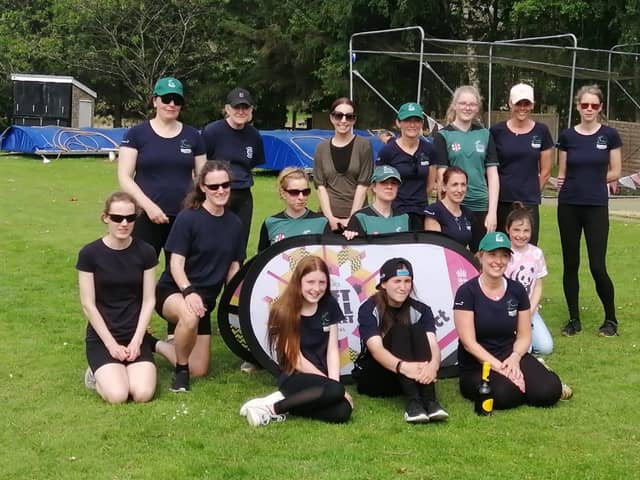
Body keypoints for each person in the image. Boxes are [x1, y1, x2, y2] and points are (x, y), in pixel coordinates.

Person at [153, 161, 244, 392]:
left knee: (201, 369)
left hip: (205, 302)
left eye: (225, 185)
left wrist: (237, 300)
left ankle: (154, 345)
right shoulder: (188, 218)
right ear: (202, 187)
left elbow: (233, 269)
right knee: (190, 316)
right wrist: (188, 291)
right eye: (214, 187)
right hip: (173, 290)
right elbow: (176, 264)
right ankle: (181, 372)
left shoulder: (235, 223)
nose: (221, 190)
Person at [454, 232, 566, 410]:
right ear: (480, 256)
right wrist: (500, 368)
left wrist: (514, 359)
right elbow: (469, 343)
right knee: (505, 395)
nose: (498, 261)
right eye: (492, 255)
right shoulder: (467, 292)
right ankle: (519, 383)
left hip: (509, 354)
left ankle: (535, 375)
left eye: (504, 256)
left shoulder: (517, 290)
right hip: (477, 364)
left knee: (549, 391)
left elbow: (523, 336)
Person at [240, 256, 353, 427]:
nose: (316, 288)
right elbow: (295, 359)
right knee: (336, 390)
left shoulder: (329, 304)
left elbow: (332, 350)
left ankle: (284, 404)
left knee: (343, 412)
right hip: (294, 376)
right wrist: (332, 385)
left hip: (321, 379)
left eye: (322, 282)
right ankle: (271, 409)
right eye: (310, 282)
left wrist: (334, 382)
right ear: (298, 282)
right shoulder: (283, 310)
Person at [77, 192, 157, 404]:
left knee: (142, 394)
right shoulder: (89, 254)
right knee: (118, 396)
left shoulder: (146, 252)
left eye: (130, 218)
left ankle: (125, 369)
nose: (124, 223)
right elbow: (88, 304)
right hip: (103, 337)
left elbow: (149, 300)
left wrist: (138, 340)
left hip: (134, 334)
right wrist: (111, 345)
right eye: (117, 218)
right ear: (106, 218)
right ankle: (95, 374)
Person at [557, 85, 622, 337]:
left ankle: (611, 320)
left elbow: (615, 171)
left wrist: (594, 180)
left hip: (596, 205)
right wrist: (565, 183)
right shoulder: (567, 136)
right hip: (569, 205)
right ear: (577, 107)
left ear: (600, 108)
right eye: (584, 105)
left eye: (594, 106)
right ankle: (574, 320)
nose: (589, 110)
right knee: (570, 264)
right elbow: (562, 172)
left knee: (597, 266)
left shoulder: (610, 135)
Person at [118, 77, 206, 262]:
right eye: (166, 99)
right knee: (138, 270)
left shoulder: (193, 136)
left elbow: (203, 178)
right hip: (145, 216)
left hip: (184, 217)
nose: (172, 104)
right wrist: (148, 207)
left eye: (177, 100)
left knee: (180, 274)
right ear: (155, 101)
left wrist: (197, 212)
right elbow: (125, 177)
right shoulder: (136, 134)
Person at [353, 258, 449, 423]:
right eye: (397, 281)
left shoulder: (421, 310)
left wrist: (433, 366)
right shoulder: (369, 308)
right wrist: (404, 367)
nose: (403, 287)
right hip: (377, 378)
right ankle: (413, 403)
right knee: (400, 329)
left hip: (410, 378)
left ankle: (430, 401)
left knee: (418, 329)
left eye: (407, 281)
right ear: (383, 283)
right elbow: (376, 350)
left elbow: (433, 344)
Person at [202, 87, 265, 258]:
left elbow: (251, 164)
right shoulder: (212, 132)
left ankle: (235, 284)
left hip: (243, 195)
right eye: (236, 107)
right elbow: (201, 165)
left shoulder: (254, 135)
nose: (241, 111)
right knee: (213, 245)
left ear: (251, 110)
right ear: (227, 109)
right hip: (217, 193)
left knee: (238, 246)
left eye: (245, 107)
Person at [434, 85, 499, 252]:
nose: (467, 107)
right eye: (463, 103)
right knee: (452, 258)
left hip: (479, 205)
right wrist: (444, 209)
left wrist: (492, 212)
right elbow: (442, 175)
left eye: (472, 104)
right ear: (454, 105)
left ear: (477, 108)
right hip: (453, 207)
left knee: (482, 258)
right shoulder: (443, 135)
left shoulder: (485, 134)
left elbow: (492, 175)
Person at [490, 83, 553, 245]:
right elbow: (490, 168)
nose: (522, 108)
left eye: (526, 104)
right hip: (501, 202)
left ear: (532, 105)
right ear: (510, 103)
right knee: (500, 249)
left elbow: (546, 170)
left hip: (528, 204)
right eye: (518, 103)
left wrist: (530, 194)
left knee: (527, 249)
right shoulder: (496, 132)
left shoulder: (542, 131)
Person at [313, 97, 373, 232]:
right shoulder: (321, 148)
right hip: (327, 217)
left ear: (354, 120)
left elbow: (363, 185)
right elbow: (320, 186)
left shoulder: (364, 145)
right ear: (331, 118)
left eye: (349, 116)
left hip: (358, 217)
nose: (343, 121)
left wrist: (353, 219)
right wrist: (330, 218)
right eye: (339, 116)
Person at [376, 102, 437, 231]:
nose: (412, 125)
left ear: (422, 123)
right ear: (399, 123)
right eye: (407, 120)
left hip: (421, 211)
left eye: (416, 120)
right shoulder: (388, 151)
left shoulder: (429, 149)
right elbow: (377, 183)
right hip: (395, 211)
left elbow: (431, 184)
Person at [504, 203, 553, 355]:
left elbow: (537, 285)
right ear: (508, 230)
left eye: (526, 231)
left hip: (530, 310)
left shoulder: (537, 253)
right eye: (516, 230)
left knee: (546, 347)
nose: (521, 235)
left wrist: (530, 310)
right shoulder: (503, 253)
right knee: (526, 348)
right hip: (508, 312)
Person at [257, 167, 329, 252]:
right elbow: (262, 259)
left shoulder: (322, 222)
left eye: (305, 192)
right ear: (283, 194)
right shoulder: (271, 223)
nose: (301, 197)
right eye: (294, 192)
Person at [342, 165, 409, 239]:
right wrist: (349, 236)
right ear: (373, 187)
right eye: (384, 182)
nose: (389, 187)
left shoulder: (404, 217)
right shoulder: (360, 217)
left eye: (394, 183)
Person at [424, 166, 474, 248]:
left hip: (461, 259)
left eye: (463, 185)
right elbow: (434, 247)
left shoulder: (467, 213)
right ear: (444, 186)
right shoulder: (434, 211)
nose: (460, 190)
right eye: (455, 185)